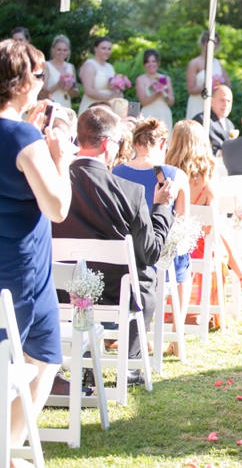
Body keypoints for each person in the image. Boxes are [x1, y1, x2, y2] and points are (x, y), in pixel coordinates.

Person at [52, 106, 175, 386]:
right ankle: (129, 363)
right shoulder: (129, 192)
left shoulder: (53, 184)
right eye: (119, 142)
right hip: (115, 294)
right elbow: (151, 252)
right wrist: (161, 207)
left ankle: (88, 361)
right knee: (147, 279)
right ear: (107, 144)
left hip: (61, 291)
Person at [0, 39, 72, 461]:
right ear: (22, 81)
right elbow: (58, 207)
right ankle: (7, 447)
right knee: (41, 360)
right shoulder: (25, 137)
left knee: (39, 356)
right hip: (24, 268)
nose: (43, 82)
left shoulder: (19, 131)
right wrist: (59, 155)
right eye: (39, 75)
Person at [166, 120, 242, 319]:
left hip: (170, 243)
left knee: (219, 229)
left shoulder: (166, 175)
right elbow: (210, 226)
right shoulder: (207, 181)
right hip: (200, 247)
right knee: (217, 230)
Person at [112, 118, 190, 357]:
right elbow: (182, 220)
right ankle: (176, 334)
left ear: (135, 142)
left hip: (125, 256)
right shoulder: (175, 174)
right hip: (158, 255)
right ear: (164, 143)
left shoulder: (116, 171)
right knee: (183, 258)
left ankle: (142, 330)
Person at [185, 31, 229, 119]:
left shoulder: (218, 64)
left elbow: (228, 85)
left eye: (214, 43)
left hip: (214, 104)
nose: (209, 44)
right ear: (202, 43)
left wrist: (218, 87)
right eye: (207, 41)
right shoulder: (194, 63)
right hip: (197, 102)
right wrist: (207, 86)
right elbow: (190, 89)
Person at [135, 49, 175, 133]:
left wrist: (163, 93)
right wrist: (157, 93)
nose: (151, 64)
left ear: (158, 63)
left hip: (164, 113)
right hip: (148, 112)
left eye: (153, 61)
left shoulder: (165, 78)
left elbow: (171, 102)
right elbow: (143, 102)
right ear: (144, 64)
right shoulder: (141, 79)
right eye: (147, 62)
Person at [78, 36, 120, 114]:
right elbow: (88, 91)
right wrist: (109, 98)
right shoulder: (89, 65)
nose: (107, 51)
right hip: (92, 107)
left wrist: (118, 91)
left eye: (109, 49)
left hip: (107, 108)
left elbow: (111, 86)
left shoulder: (110, 67)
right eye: (103, 48)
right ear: (95, 48)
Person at [191, 84, 236, 156]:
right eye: (222, 100)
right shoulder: (201, 120)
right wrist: (218, 153)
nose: (226, 104)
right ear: (211, 101)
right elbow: (195, 146)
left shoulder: (230, 124)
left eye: (229, 101)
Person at [44, 35, 79, 109]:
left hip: (66, 105)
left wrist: (69, 89)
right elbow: (43, 92)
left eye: (65, 50)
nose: (62, 52)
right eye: (59, 49)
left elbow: (76, 93)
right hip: (51, 105)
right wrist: (58, 85)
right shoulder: (46, 65)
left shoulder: (71, 66)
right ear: (52, 49)